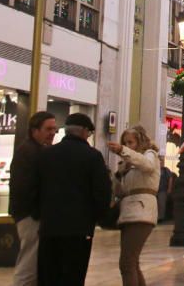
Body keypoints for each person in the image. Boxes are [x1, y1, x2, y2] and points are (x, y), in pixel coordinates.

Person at [33, 113, 112, 286]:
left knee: (49, 275)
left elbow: (36, 188)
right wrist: (99, 217)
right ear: (84, 132)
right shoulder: (92, 156)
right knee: (73, 276)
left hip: (49, 227)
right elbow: (102, 192)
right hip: (79, 228)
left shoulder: (46, 155)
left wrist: (40, 214)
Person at [107, 125, 160, 286]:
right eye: (125, 143)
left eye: (130, 142)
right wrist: (118, 174)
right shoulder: (128, 164)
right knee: (132, 262)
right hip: (128, 211)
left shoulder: (150, 155)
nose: (128, 146)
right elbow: (119, 190)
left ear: (140, 141)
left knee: (126, 263)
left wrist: (124, 151)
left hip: (141, 211)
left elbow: (147, 165)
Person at [9, 111, 57, 286]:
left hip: (33, 214)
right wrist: (36, 212)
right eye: (48, 129)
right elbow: (24, 187)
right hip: (30, 215)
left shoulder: (37, 150)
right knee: (28, 266)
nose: (52, 133)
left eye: (55, 129)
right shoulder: (29, 152)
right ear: (35, 130)